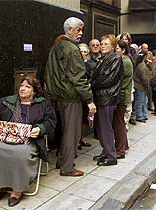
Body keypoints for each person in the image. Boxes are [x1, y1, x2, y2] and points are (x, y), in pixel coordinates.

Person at [0, 74, 56, 209]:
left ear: (34, 91)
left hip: (28, 141)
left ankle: (17, 190)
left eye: (27, 87)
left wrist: (40, 129)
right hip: (4, 138)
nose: (22, 89)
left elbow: (51, 122)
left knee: (20, 154)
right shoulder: (5, 101)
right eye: (21, 86)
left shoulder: (43, 104)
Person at [45, 17, 96, 176]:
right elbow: (78, 77)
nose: (81, 33)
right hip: (71, 96)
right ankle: (67, 167)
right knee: (71, 133)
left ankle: (62, 160)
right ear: (69, 30)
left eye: (81, 29)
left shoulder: (57, 45)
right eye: (78, 29)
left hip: (59, 95)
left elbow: (50, 72)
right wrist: (89, 100)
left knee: (65, 131)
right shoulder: (72, 49)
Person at [91, 34, 123, 166]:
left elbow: (108, 79)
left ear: (113, 47)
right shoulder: (104, 59)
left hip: (107, 98)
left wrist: (92, 84)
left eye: (106, 44)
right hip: (101, 97)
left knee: (106, 128)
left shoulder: (115, 59)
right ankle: (106, 151)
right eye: (102, 44)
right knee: (101, 128)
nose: (102, 46)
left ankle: (111, 156)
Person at [113, 40, 132, 158]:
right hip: (122, 95)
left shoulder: (125, 62)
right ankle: (124, 145)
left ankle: (120, 150)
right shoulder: (124, 60)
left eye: (117, 49)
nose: (115, 51)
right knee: (120, 122)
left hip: (121, 95)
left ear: (123, 50)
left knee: (119, 123)